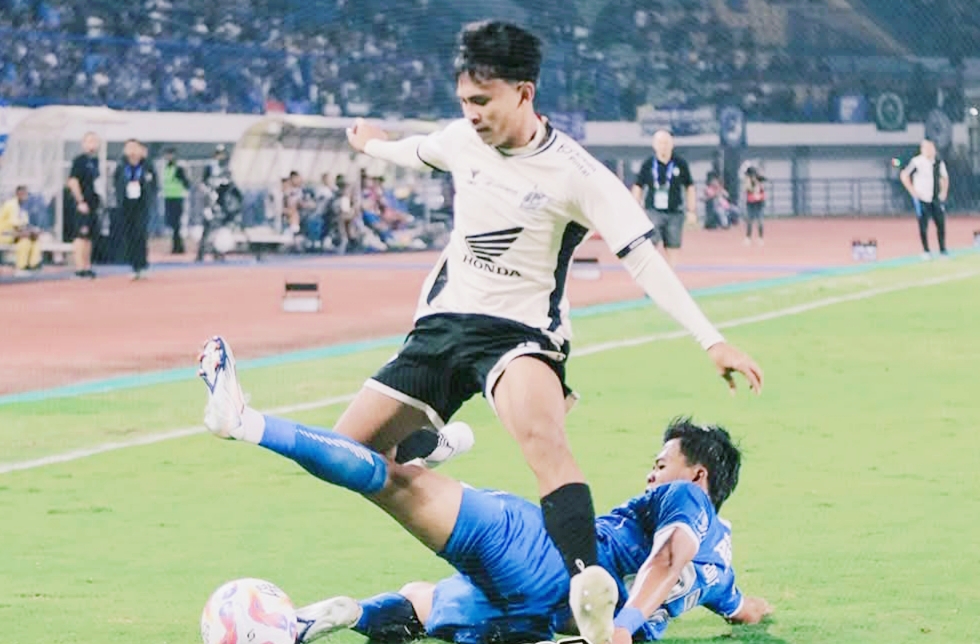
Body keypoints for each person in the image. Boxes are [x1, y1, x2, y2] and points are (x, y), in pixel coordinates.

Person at [200, 21, 763, 644]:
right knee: (353, 451)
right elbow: (413, 150)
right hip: (442, 327)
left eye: (483, 101)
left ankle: (588, 585)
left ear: (524, 93)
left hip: (518, 335)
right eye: (464, 100)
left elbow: (644, 258)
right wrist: (372, 145)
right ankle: (416, 443)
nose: (471, 114)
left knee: (544, 441)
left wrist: (711, 339)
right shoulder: (460, 140)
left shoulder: (577, 173)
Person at [196, 346, 770, 644]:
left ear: (698, 477)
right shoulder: (719, 570)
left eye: (661, 464)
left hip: (536, 549)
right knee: (420, 604)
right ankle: (347, 615)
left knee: (388, 479)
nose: (651, 476)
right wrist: (754, 613)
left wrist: (621, 627)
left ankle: (245, 422)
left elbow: (669, 556)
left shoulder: (687, 501)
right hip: (538, 617)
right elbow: (738, 605)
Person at [630, 130, 697, 267]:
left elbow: (690, 187)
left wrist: (691, 210)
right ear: (654, 145)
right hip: (653, 212)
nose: (663, 146)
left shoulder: (680, 163)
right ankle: (651, 275)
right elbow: (638, 186)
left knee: (673, 247)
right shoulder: (648, 164)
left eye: (666, 142)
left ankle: (671, 276)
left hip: (675, 212)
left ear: (672, 144)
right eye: (660, 143)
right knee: (649, 246)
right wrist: (635, 209)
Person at [113, 139, 157, 280]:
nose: (132, 151)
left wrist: (150, 199)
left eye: (134, 147)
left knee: (140, 234)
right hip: (126, 205)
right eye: (129, 148)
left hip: (141, 205)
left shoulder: (147, 166)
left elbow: (154, 185)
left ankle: (142, 265)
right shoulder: (121, 166)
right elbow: (116, 184)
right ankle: (133, 266)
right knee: (130, 236)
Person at [900, 139, 949, 259]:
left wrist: (944, 192)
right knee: (923, 225)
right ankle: (926, 251)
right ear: (922, 149)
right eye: (926, 148)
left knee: (941, 224)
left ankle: (942, 250)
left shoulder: (938, 162)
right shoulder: (917, 162)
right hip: (922, 199)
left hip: (936, 198)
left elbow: (944, 178)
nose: (929, 150)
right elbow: (904, 175)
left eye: (931, 148)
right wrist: (912, 191)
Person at [66, 131, 101, 278]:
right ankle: (79, 267)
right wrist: (80, 201)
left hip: (93, 204)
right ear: (83, 143)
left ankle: (87, 266)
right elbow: (72, 181)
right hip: (82, 204)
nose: (92, 144)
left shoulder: (95, 162)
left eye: (94, 141)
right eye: (89, 141)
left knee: (89, 237)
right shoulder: (79, 161)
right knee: (81, 235)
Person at [0, 185, 42, 275]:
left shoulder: (24, 206)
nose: (25, 196)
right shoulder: (11, 205)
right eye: (22, 193)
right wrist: (26, 232)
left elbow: (24, 224)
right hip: (4, 233)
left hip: (14, 233)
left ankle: (33, 265)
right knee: (25, 241)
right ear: (17, 194)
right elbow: (15, 225)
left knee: (34, 240)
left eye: (26, 194)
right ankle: (21, 267)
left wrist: (32, 231)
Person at [161, 147, 192, 254]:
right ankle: (177, 246)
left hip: (177, 198)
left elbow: (186, 183)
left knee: (176, 224)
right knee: (172, 224)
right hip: (168, 198)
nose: (168, 157)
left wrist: (181, 181)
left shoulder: (178, 168)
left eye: (170, 154)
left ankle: (178, 247)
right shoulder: (166, 168)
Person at [743, 167, 766, 246]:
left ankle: (760, 238)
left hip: (759, 203)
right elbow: (748, 189)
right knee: (749, 221)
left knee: (760, 221)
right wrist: (752, 186)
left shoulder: (760, 181)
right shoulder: (747, 181)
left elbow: (761, 190)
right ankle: (748, 238)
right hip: (750, 203)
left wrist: (758, 183)